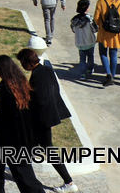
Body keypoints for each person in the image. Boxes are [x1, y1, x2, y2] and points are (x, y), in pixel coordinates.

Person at [17, 48, 77, 193]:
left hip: (41, 119)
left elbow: (39, 99)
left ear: (27, 62)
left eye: (22, 63)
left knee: (47, 149)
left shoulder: (37, 75)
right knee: (29, 146)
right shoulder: (47, 70)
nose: (22, 66)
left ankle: (69, 182)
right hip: (48, 116)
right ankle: (21, 172)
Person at [0, 54, 43, 193]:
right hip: (21, 134)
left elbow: (6, 114)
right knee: (2, 166)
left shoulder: (4, 88)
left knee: (20, 173)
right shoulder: (21, 83)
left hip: (8, 136)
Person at [93, 0, 120, 86]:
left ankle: (108, 74)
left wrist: (100, 24)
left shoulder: (101, 1)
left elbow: (96, 18)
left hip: (104, 31)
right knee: (113, 54)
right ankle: (113, 74)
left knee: (103, 53)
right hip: (116, 33)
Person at [69, 0, 96, 80]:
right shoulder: (90, 19)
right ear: (87, 8)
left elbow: (73, 30)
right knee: (90, 56)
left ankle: (82, 74)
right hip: (90, 41)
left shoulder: (74, 20)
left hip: (80, 42)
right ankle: (90, 69)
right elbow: (95, 29)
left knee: (82, 59)